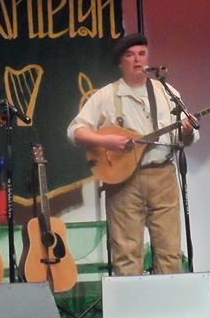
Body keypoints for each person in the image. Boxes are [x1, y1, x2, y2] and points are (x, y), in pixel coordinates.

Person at [67, 33, 197, 276]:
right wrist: (105, 140)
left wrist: (188, 131)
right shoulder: (106, 95)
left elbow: (186, 137)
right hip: (123, 180)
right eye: (130, 55)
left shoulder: (166, 92)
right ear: (120, 62)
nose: (137, 59)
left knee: (170, 252)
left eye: (142, 54)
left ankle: (168, 300)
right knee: (126, 254)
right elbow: (75, 131)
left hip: (162, 176)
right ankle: (131, 301)